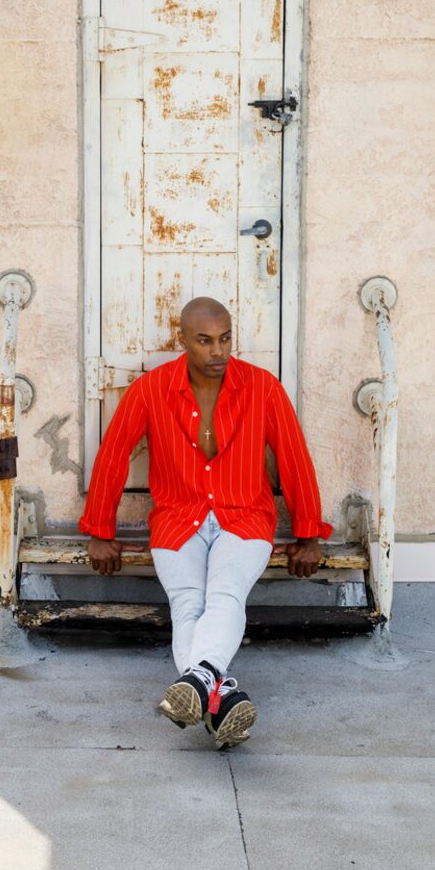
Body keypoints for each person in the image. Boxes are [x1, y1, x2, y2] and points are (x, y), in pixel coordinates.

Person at [78, 297, 333, 751]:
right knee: (188, 603)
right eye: (205, 341)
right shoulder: (152, 390)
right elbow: (114, 456)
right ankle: (221, 697)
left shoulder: (262, 388)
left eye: (226, 339)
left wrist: (308, 534)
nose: (219, 351)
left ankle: (197, 681)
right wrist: (101, 531)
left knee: (224, 594)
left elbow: (294, 459)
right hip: (178, 517)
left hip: (245, 516)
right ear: (183, 341)